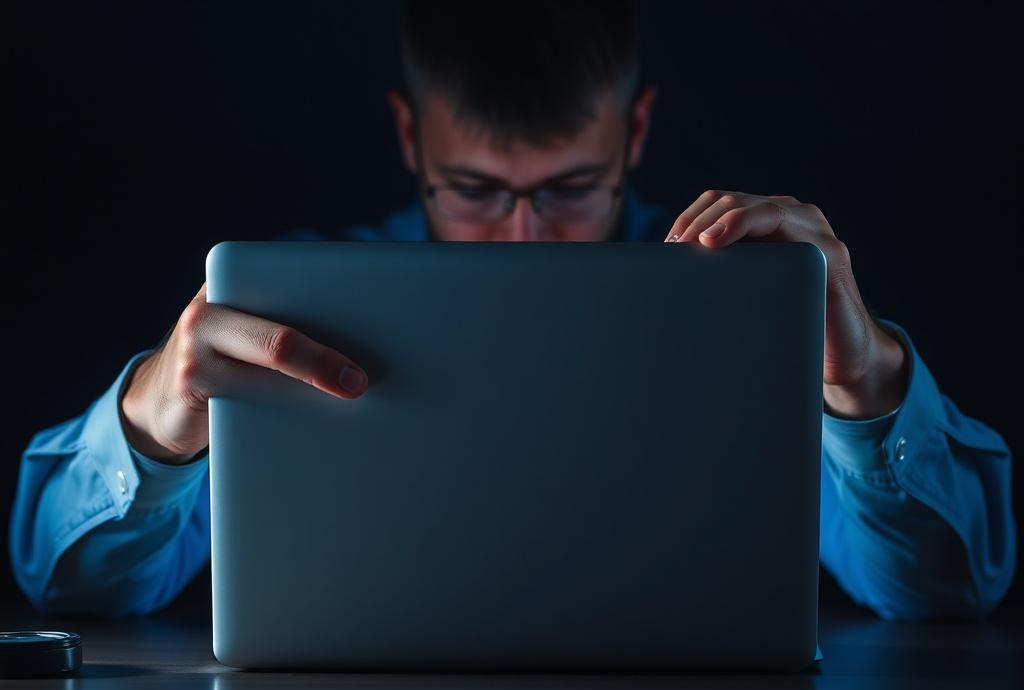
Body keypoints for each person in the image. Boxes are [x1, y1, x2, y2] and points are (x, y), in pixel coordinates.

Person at [8, 1, 1016, 620]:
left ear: (637, 131)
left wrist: (865, 386)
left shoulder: (744, 307)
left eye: (572, 188)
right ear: (410, 137)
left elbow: (941, 594)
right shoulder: (296, 320)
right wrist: (153, 425)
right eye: (479, 191)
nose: (526, 236)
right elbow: (81, 594)